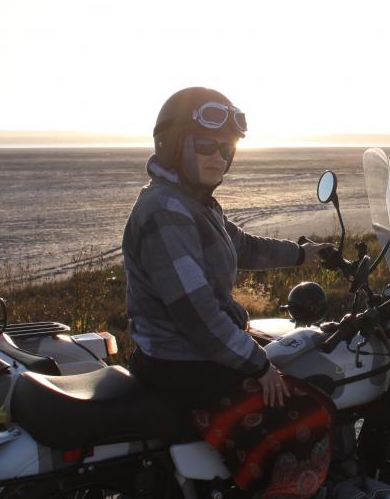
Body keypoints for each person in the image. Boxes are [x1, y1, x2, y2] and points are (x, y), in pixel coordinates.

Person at [122, 86, 334, 495]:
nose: (219, 156)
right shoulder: (166, 212)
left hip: (198, 356)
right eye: (206, 145)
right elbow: (197, 315)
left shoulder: (194, 204)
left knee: (301, 365)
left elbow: (244, 246)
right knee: (308, 416)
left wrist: (302, 255)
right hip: (183, 365)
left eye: (226, 148)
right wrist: (256, 364)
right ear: (174, 146)